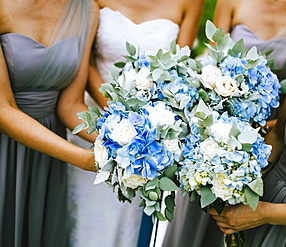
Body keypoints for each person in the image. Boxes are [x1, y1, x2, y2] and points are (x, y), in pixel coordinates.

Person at [162, 1, 286, 247]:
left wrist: (257, 136)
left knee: (243, 223)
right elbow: (209, 67)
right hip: (212, 139)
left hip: (275, 143)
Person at [66, 1, 204, 246]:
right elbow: (83, 61)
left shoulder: (191, 3)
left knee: (125, 220)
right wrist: (118, 117)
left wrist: (145, 128)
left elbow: (177, 72)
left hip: (147, 137)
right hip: (94, 121)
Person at [0, 0, 99, 246]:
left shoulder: (87, 9)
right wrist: (82, 158)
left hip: (50, 152)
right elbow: (3, 109)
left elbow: (70, 105)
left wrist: (127, 144)